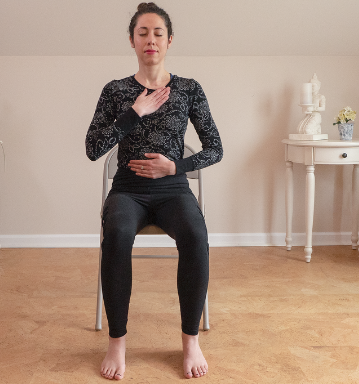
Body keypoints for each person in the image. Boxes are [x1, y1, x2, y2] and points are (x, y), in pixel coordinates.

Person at [85, 2, 223, 380]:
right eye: (142, 32)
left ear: (169, 41)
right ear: (132, 40)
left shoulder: (189, 89)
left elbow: (215, 148)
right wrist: (134, 112)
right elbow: (93, 148)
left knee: (196, 234)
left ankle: (190, 340)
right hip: (128, 191)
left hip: (174, 189)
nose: (150, 39)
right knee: (116, 234)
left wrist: (175, 166)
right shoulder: (115, 91)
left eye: (157, 33)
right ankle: (117, 341)